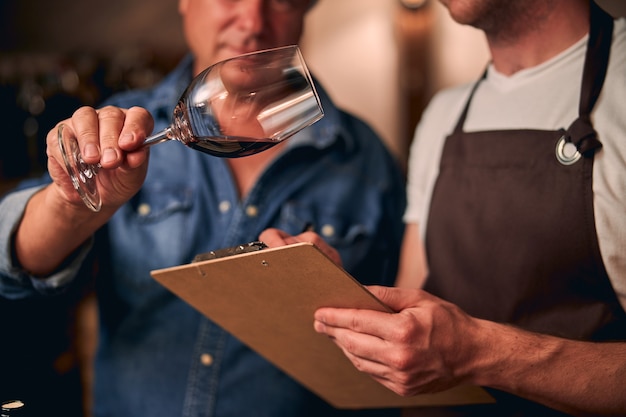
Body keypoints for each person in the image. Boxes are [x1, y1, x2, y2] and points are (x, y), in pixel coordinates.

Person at [0, 1, 406, 416]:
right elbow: (12, 265)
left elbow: (392, 361)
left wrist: (321, 293)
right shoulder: (120, 123)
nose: (252, 22)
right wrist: (73, 205)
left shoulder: (369, 162)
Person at [262, 0, 626, 416]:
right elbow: (411, 306)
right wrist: (323, 284)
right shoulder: (443, 115)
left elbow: (460, 348)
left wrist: (479, 353)